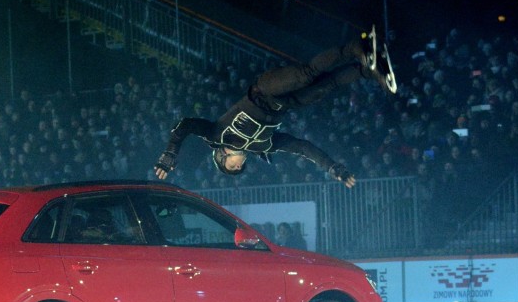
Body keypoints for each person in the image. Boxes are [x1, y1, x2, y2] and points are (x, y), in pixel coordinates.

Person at [154, 26, 397, 188]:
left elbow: (184, 125)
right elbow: (302, 148)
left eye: (232, 167)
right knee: (327, 86)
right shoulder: (265, 146)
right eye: (240, 168)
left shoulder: (216, 134)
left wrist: (169, 155)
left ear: (222, 157)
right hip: (285, 104)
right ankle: (367, 70)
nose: (239, 166)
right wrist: (334, 168)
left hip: (264, 89)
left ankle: (354, 48)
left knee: (306, 74)